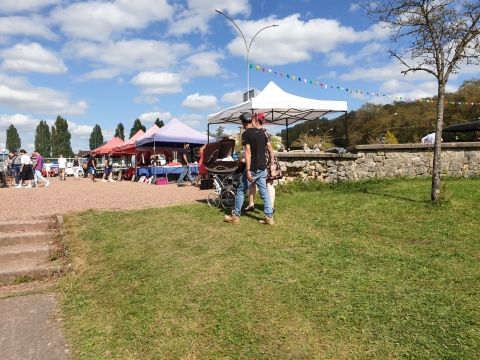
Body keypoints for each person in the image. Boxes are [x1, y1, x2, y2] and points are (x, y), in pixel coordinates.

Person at [224, 112, 274, 225]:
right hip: (263, 167)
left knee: (241, 190)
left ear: (242, 122)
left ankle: (235, 216)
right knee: (264, 192)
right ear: (251, 120)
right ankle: (269, 217)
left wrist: (247, 170)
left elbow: (248, 152)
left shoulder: (246, 134)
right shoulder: (262, 133)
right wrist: (271, 164)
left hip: (252, 168)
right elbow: (270, 149)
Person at [245, 113, 278, 213]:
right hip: (265, 159)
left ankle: (268, 207)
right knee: (265, 184)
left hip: (264, 159)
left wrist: (272, 164)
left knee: (267, 184)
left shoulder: (260, 132)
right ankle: (267, 207)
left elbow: (269, 148)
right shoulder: (264, 131)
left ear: (255, 120)